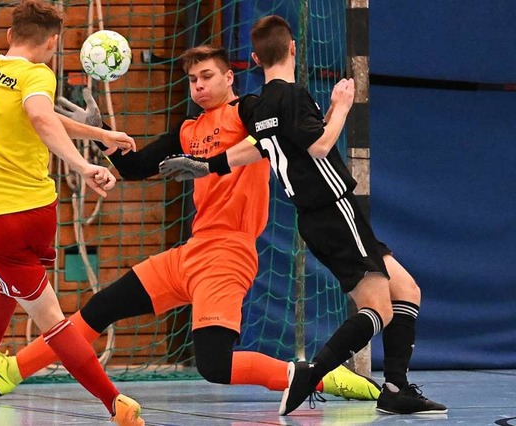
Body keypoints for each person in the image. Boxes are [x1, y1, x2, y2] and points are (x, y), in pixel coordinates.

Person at [0, 44, 382, 413]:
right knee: (100, 307)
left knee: (215, 366)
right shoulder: (187, 130)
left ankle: (320, 376)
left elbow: (269, 139)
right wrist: (98, 133)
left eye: (207, 77)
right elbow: (134, 167)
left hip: (228, 255)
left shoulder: (250, 111)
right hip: (192, 252)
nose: (198, 86)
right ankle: (12, 371)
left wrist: (213, 163)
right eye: (192, 80)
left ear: (229, 77)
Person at [159, 15, 447, 416]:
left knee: (407, 290)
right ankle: (314, 372)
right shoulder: (293, 96)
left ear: (255, 58)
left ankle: (395, 387)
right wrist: (342, 106)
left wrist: (209, 165)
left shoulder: (259, 106)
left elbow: (261, 147)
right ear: (293, 48)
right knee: (378, 308)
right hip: (335, 209)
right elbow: (319, 147)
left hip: (318, 218)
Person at [0, 1, 143, 425]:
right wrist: (95, 142)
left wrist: (87, 156)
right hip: (39, 210)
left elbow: (40, 116)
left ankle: (114, 402)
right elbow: (39, 116)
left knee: (50, 318)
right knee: (7, 281)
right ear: (54, 43)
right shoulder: (37, 75)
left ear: (10, 35)